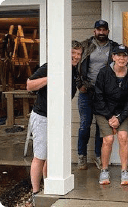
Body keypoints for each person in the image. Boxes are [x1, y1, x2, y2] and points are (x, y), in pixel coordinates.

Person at [26, 40, 83, 206]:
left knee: (52, 157)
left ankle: (48, 186)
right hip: (43, 117)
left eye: (79, 54)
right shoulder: (51, 66)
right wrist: (50, 78)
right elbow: (29, 85)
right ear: (66, 52)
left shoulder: (73, 71)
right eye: (73, 52)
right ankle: (35, 192)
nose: (76, 56)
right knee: (40, 156)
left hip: (58, 118)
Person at [76, 20, 120, 170]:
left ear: (107, 31)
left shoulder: (114, 47)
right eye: (98, 30)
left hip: (104, 93)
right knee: (84, 125)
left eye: (104, 30)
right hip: (86, 91)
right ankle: (82, 156)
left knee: (101, 127)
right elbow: (75, 65)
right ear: (94, 31)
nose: (101, 32)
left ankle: (98, 156)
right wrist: (79, 84)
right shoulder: (85, 45)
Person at [93, 45, 128, 185]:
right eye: (118, 55)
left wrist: (120, 118)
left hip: (121, 113)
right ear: (113, 57)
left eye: (124, 55)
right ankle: (104, 170)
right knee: (108, 139)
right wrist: (109, 116)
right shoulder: (104, 72)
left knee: (123, 137)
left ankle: (124, 172)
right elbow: (98, 96)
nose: (121, 58)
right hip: (104, 112)